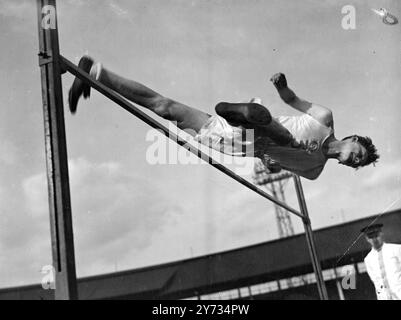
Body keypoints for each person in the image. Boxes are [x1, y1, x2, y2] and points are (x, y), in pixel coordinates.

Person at [68, 55, 379, 180]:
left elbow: (272, 168)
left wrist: (270, 165)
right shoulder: (324, 118)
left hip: (238, 145)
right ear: (353, 138)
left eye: (358, 163)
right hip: (266, 127)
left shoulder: (314, 171)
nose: (354, 160)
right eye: (359, 154)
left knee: (164, 108)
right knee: (283, 135)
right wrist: (281, 84)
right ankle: (248, 116)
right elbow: (293, 100)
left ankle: (95, 73)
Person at [361, 223, 401, 300]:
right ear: (367, 239)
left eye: (376, 235)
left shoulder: (396, 249)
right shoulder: (368, 259)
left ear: (381, 233)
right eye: (371, 237)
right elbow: (376, 281)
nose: (375, 239)